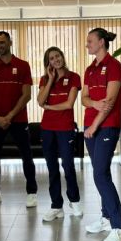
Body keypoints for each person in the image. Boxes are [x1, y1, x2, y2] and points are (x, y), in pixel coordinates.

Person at [82, 28, 121, 241]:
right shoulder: (90, 69)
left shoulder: (114, 67)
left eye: (90, 41)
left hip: (105, 127)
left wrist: (93, 125)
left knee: (100, 174)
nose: (87, 44)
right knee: (102, 172)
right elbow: (83, 98)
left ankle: (119, 227)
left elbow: (109, 102)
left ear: (101, 42)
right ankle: (106, 218)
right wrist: (92, 104)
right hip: (90, 126)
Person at [0, 31, 37, 207]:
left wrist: (9, 116)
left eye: (2, 42)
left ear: (10, 42)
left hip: (19, 120)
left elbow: (26, 95)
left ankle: (32, 193)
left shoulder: (23, 65)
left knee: (27, 157)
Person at [37, 47, 82, 221]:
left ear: (63, 57)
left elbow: (69, 104)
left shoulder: (74, 77)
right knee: (52, 168)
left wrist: (48, 107)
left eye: (58, 56)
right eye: (52, 58)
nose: (56, 60)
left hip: (65, 129)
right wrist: (50, 80)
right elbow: (40, 101)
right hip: (47, 129)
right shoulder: (44, 79)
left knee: (68, 166)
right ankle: (56, 206)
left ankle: (75, 200)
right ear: (48, 63)